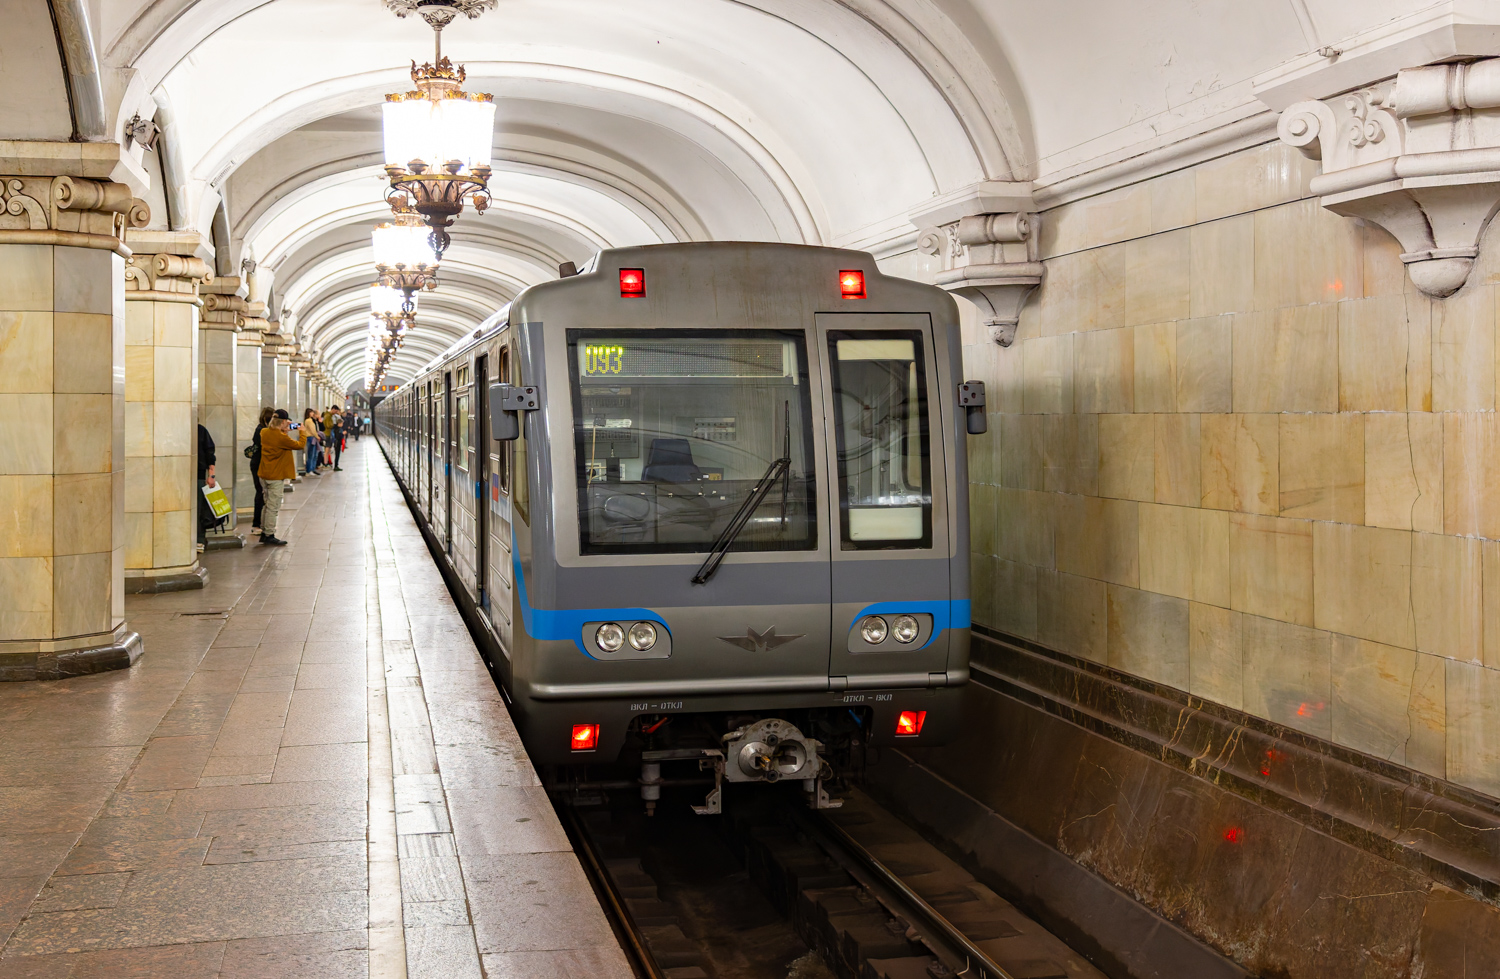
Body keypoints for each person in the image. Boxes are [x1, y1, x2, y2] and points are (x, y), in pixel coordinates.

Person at [257, 409, 305, 546]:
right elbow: (300, 445)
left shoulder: (264, 432)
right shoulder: (282, 437)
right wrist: (301, 431)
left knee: (267, 505)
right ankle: (269, 534)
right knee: (273, 506)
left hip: (264, 474)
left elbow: (275, 438)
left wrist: (283, 430)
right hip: (275, 476)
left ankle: (264, 531)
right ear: (284, 422)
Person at [247, 406, 273, 534]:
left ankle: (262, 523)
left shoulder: (263, 429)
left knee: (263, 492)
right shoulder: (262, 431)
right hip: (258, 464)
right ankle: (256, 524)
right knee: (260, 492)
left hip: (261, 463)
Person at [197, 424, 219, 550]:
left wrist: (211, 475)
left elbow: (210, 453)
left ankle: (199, 539)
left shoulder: (200, 430)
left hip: (199, 474)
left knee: (200, 508)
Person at [302, 408, 321, 476]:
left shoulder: (310, 420)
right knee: (311, 454)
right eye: (311, 412)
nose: (313, 413)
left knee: (313, 454)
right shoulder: (309, 420)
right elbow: (313, 430)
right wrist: (317, 436)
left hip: (312, 437)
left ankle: (312, 469)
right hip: (311, 437)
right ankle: (309, 469)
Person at [325, 405, 344, 471]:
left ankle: (334, 464)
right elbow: (328, 425)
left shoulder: (335, 416)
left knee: (334, 450)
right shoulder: (328, 416)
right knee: (328, 450)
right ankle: (327, 463)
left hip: (335, 436)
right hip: (332, 436)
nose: (336, 412)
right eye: (336, 411)